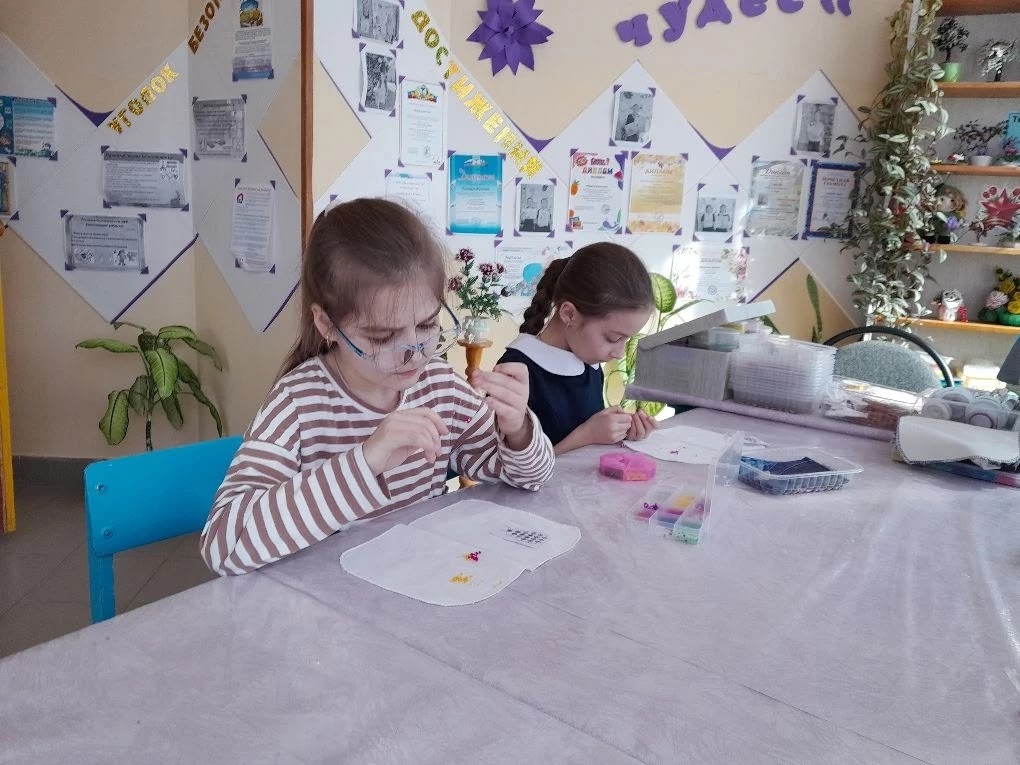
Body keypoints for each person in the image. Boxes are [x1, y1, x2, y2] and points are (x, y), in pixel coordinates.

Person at [201, 199, 555, 575]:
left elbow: (531, 477)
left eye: (427, 325)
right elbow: (223, 548)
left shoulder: (439, 386)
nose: (413, 353)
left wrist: (518, 429)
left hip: (416, 582)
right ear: (326, 324)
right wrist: (366, 461)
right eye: (382, 337)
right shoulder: (297, 403)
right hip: (326, 596)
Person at [497, 243, 657, 455]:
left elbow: (590, 444)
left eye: (626, 340)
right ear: (569, 314)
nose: (619, 353)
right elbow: (504, 469)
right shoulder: (514, 371)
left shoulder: (588, 365)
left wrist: (620, 432)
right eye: (613, 338)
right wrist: (587, 435)